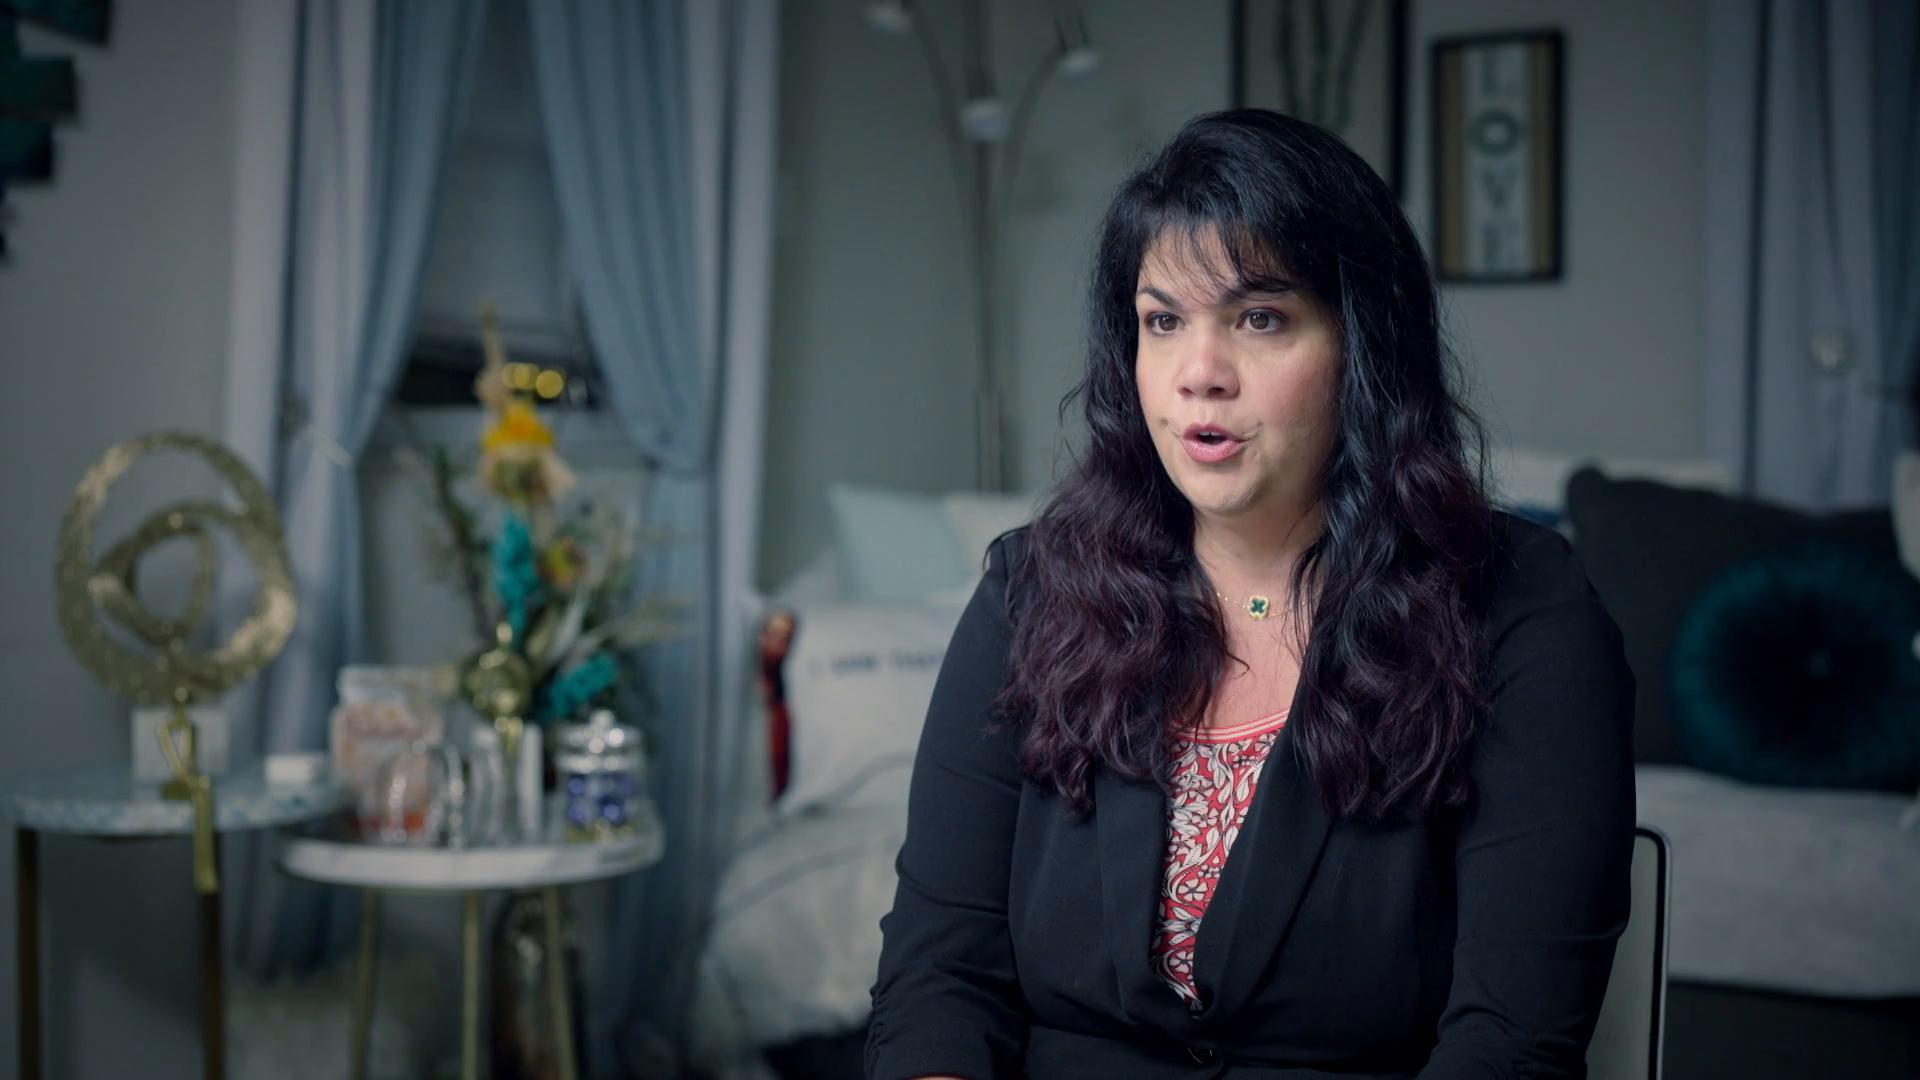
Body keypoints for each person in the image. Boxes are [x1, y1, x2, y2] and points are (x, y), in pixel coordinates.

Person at [865, 109, 1636, 1079]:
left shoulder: (1520, 610)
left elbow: (1511, 1044)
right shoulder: (1033, 592)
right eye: (1163, 321)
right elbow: (938, 979)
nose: (1199, 375)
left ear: (1363, 344)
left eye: (1259, 318)